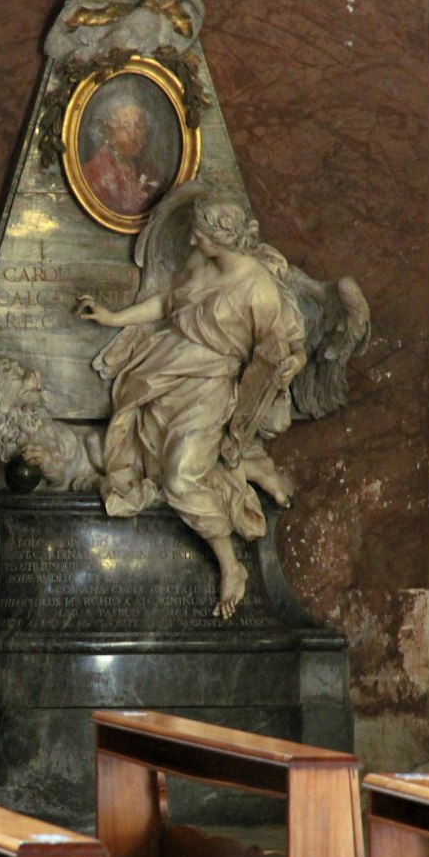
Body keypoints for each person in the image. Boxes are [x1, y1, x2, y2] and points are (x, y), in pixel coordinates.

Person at [76, 195, 306, 620]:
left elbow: (285, 348)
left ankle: (230, 565)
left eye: (202, 232)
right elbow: (167, 304)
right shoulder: (200, 262)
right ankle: (246, 471)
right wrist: (112, 318)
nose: (194, 237)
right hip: (161, 373)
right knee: (162, 469)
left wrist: (294, 362)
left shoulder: (259, 289)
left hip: (209, 387)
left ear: (223, 237)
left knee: (181, 479)